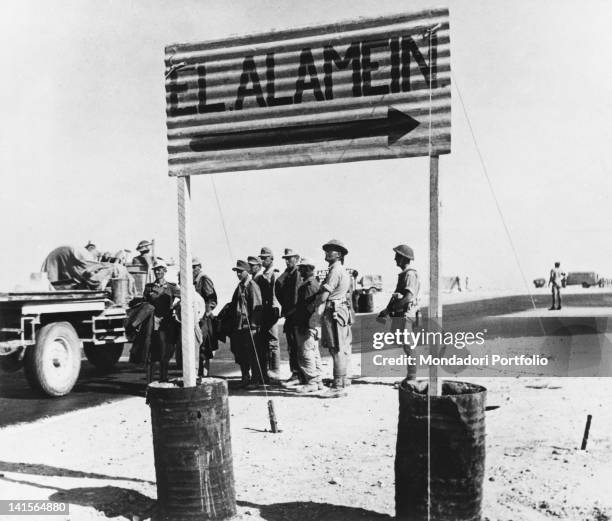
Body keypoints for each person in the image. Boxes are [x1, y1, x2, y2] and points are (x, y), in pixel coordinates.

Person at [314, 239, 353, 397]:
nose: (327, 252)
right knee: (339, 348)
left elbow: (324, 295)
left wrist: (314, 306)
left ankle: (338, 386)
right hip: (340, 310)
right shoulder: (340, 270)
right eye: (327, 249)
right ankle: (341, 381)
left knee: (336, 349)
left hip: (334, 311)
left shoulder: (335, 271)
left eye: (332, 250)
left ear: (339, 254)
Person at [377, 245, 421, 380]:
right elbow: (398, 296)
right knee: (406, 345)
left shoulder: (410, 274)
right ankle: (410, 376)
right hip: (402, 314)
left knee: (409, 346)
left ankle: (412, 378)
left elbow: (408, 297)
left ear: (403, 259)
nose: (395, 258)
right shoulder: (404, 274)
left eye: (397, 256)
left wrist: (391, 309)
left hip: (407, 315)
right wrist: (386, 311)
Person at [143, 259, 180, 382]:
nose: (157, 272)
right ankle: (149, 384)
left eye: (160, 269)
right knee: (151, 354)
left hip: (166, 324)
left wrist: (174, 307)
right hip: (152, 324)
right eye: (155, 270)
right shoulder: (149, 288)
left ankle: (163, 380)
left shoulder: (172, 287)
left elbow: (183, 298)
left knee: (165, 354)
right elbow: (145, 304)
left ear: (165, 271)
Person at [229, 260, 262, 387]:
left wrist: (253, 325)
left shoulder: (252, 285)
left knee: (253, 354)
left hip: (249, 327)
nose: (237, 274)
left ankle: (255, 380)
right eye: (236, 271)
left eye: (240, 271)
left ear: (247, 271)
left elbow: (257, 307)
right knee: (241, 354)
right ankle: (245, 378)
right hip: (239, 326)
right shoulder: (240, 286)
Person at [293, 257, 323, 393]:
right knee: (313, 353)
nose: (299, 270)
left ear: (308, 268)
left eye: (302, 268)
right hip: (311, 324)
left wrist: (305, 324)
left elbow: (309, 308)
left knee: (306, 353)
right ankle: (318, 381)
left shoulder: (309, 285)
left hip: (307, 324)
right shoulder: (312, 283)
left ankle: (312, 382)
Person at [254, 247, 281, 383]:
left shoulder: (273, 274)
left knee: (273, 342)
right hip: (265, 311)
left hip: (271, 311)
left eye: (265, 257)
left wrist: (275, 310)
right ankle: (268, 372)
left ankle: (275, 371)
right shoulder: (263, 274)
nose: (262, 260)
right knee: (266, 342)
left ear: (271, 258)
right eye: (262, 257)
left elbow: (275, 294)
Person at [275, 248, 302, 384]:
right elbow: (278, 285)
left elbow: (296, 296)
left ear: (296, 259)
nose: (287, 261)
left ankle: (299, 374)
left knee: (297, 345)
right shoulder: (288, 274)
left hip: (296, 315)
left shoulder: (297, 274)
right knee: (292, 345)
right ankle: (296, 373)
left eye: (290, 258)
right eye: (286, 258)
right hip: (289, 315)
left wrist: (289, 310)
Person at [192, 257, 218, 377]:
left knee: (204, 349)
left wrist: (205, 314)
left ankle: (205, 375)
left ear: (200, 266)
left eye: (195, 266)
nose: (193, 269)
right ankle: (197, 374)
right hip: (195, 319)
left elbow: (212, 300)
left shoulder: (204, 279)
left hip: (203, 320)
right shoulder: (193, 281)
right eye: (191, 267)